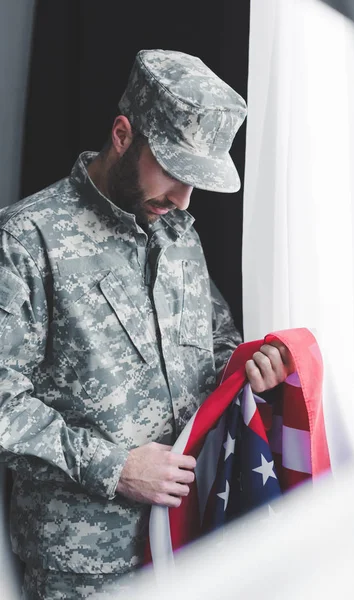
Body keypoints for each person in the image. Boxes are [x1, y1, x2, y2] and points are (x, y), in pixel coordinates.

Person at [0, 49, 293, 599]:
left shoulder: (180, 234)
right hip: (83, 565)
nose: (184, 198)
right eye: (175, 171)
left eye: (197, 179)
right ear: (121, 134)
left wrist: (250, 368)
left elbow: (217, 344)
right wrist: (115, 467)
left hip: (190, 539)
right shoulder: (25, 240)